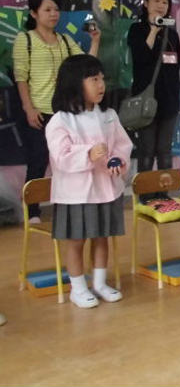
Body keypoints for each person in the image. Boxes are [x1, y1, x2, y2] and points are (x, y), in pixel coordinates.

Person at [45, 55, 130, 308]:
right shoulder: (61, 120)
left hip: (106, 189)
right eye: (94, 79)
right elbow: (60, 156)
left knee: (102, 236)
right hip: (77, 194)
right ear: (74, 82)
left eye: (102, 79)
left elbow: (122, 145)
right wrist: (88, 154)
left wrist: (117, 160)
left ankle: (100, 283)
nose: (101, 85)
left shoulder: (109, 115)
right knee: (76, 241)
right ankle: (78, 288)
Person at [13, 0, 100, 222]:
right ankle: (32, 211)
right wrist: (28, 108)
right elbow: (21, 77)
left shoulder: (65, 40)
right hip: (38, 112)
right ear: (34, 13)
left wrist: (95, 41)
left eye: (56, 9)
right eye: (47, 10)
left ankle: (66, 205)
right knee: (38, 160)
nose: (53, 14)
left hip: (64, 113)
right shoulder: (25, 40)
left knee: (66, 160)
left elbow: (86, 65)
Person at [127, 0, 180, 182]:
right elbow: (140, 57)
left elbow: (175, 65)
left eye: (165, 2)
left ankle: (164, 193)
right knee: (147, 151)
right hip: (145, 101)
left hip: (168, 102)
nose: (160, 5)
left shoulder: (172, 34)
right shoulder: (137, 29)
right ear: (146, 3)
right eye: (156, 0)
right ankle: (145, 194)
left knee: (165, 152)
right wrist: (152, 31)